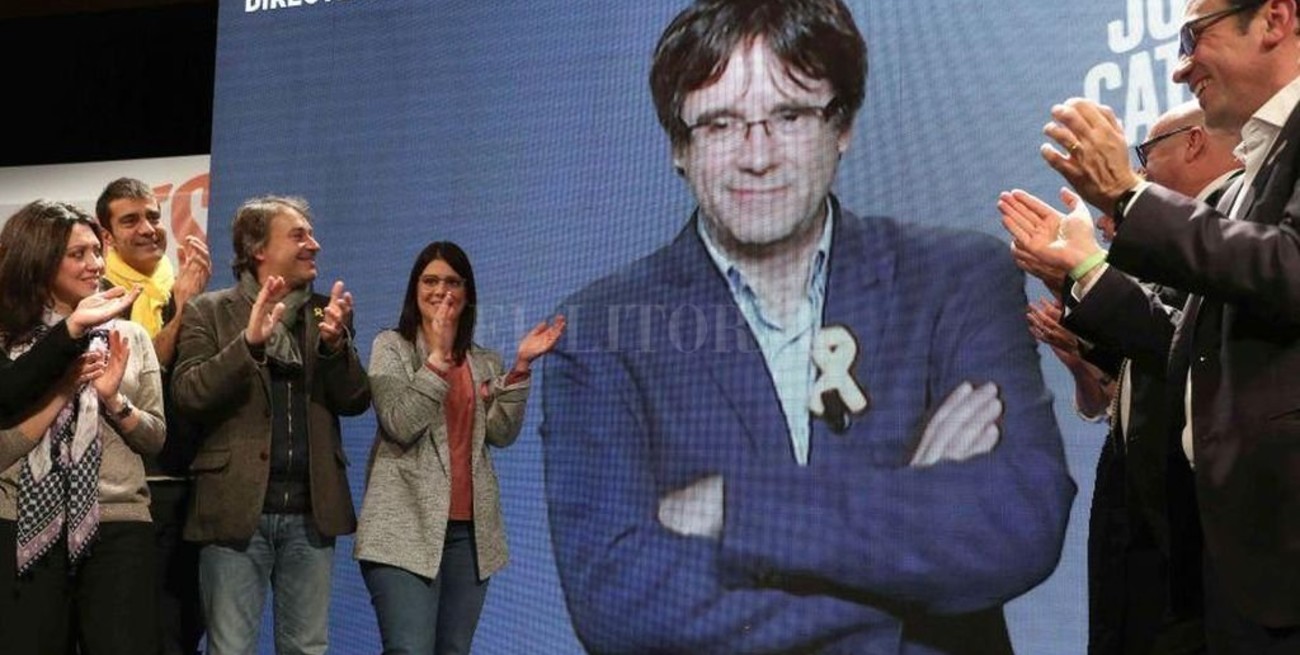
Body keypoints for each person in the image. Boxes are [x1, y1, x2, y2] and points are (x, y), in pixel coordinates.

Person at [540, 1, 1076, 652]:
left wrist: (737, 509)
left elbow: (1018, 523)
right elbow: (618, 603)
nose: (757, 156)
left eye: (790, 116)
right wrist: (906, 534)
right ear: (679, 147)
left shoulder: (956, 280)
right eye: (719, 124)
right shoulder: (601, 334)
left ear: (842, 125)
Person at [1026, 1, 1300, 650]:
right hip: (1232, 568)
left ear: (1275, 18)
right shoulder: (1242, 183)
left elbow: (1291, 267)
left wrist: (1127, 201)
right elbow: (1187, 346)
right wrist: (1084, 279)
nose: (1180, 69)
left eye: (1194, 37)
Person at [1004, 101, 1243, 655]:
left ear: (1193, 142)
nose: (1140, 170)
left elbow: (1194, 353)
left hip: (1205, 542)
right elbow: (1161, 362)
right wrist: (1073, 291)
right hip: (1147, 543)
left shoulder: (1228, 239)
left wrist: (1088, 271)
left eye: (1146, 154)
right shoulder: (1182, 245)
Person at [171, 195, 370, 655]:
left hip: (311, 513)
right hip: (235, 510)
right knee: (231, 648)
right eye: (299, 236)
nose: (314, 245)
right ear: (258, 248)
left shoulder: (325, 313)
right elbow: (188, 394)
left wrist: (335, 349)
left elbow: (355, 399)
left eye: (311, 235)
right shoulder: (210, 311)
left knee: (307, 648)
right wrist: (248, 345)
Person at [353, 241, 565, 655]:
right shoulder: (391, 347)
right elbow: (400, 423)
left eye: (452, 282)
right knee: (409, 649)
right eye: (430, 281)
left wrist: (520, 369)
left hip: (470, 537)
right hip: (403, 530)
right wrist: (437, 359)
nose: (441, 291)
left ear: (467, 293)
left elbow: (501, 433)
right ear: (415, 289)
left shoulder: (483, 361)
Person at [0, 199, 167, 655]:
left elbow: (155, 438)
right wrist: (64, 382)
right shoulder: (7, 342)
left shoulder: (130, 336)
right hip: (22, 521)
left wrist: (114, 400)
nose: (95, 264)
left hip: (116, 522)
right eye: (78, 254)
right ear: (40, 259)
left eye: (97, 251)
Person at [96, 176, 211, 655]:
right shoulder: (98, 295)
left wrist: (185, 303)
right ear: (107, 236)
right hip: (123, 490)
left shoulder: (173, 286)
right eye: (131, 220)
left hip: (184, 483)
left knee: (185, 624)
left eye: (153, 216)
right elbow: (147, 372)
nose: (147, 228)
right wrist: (185, 309)